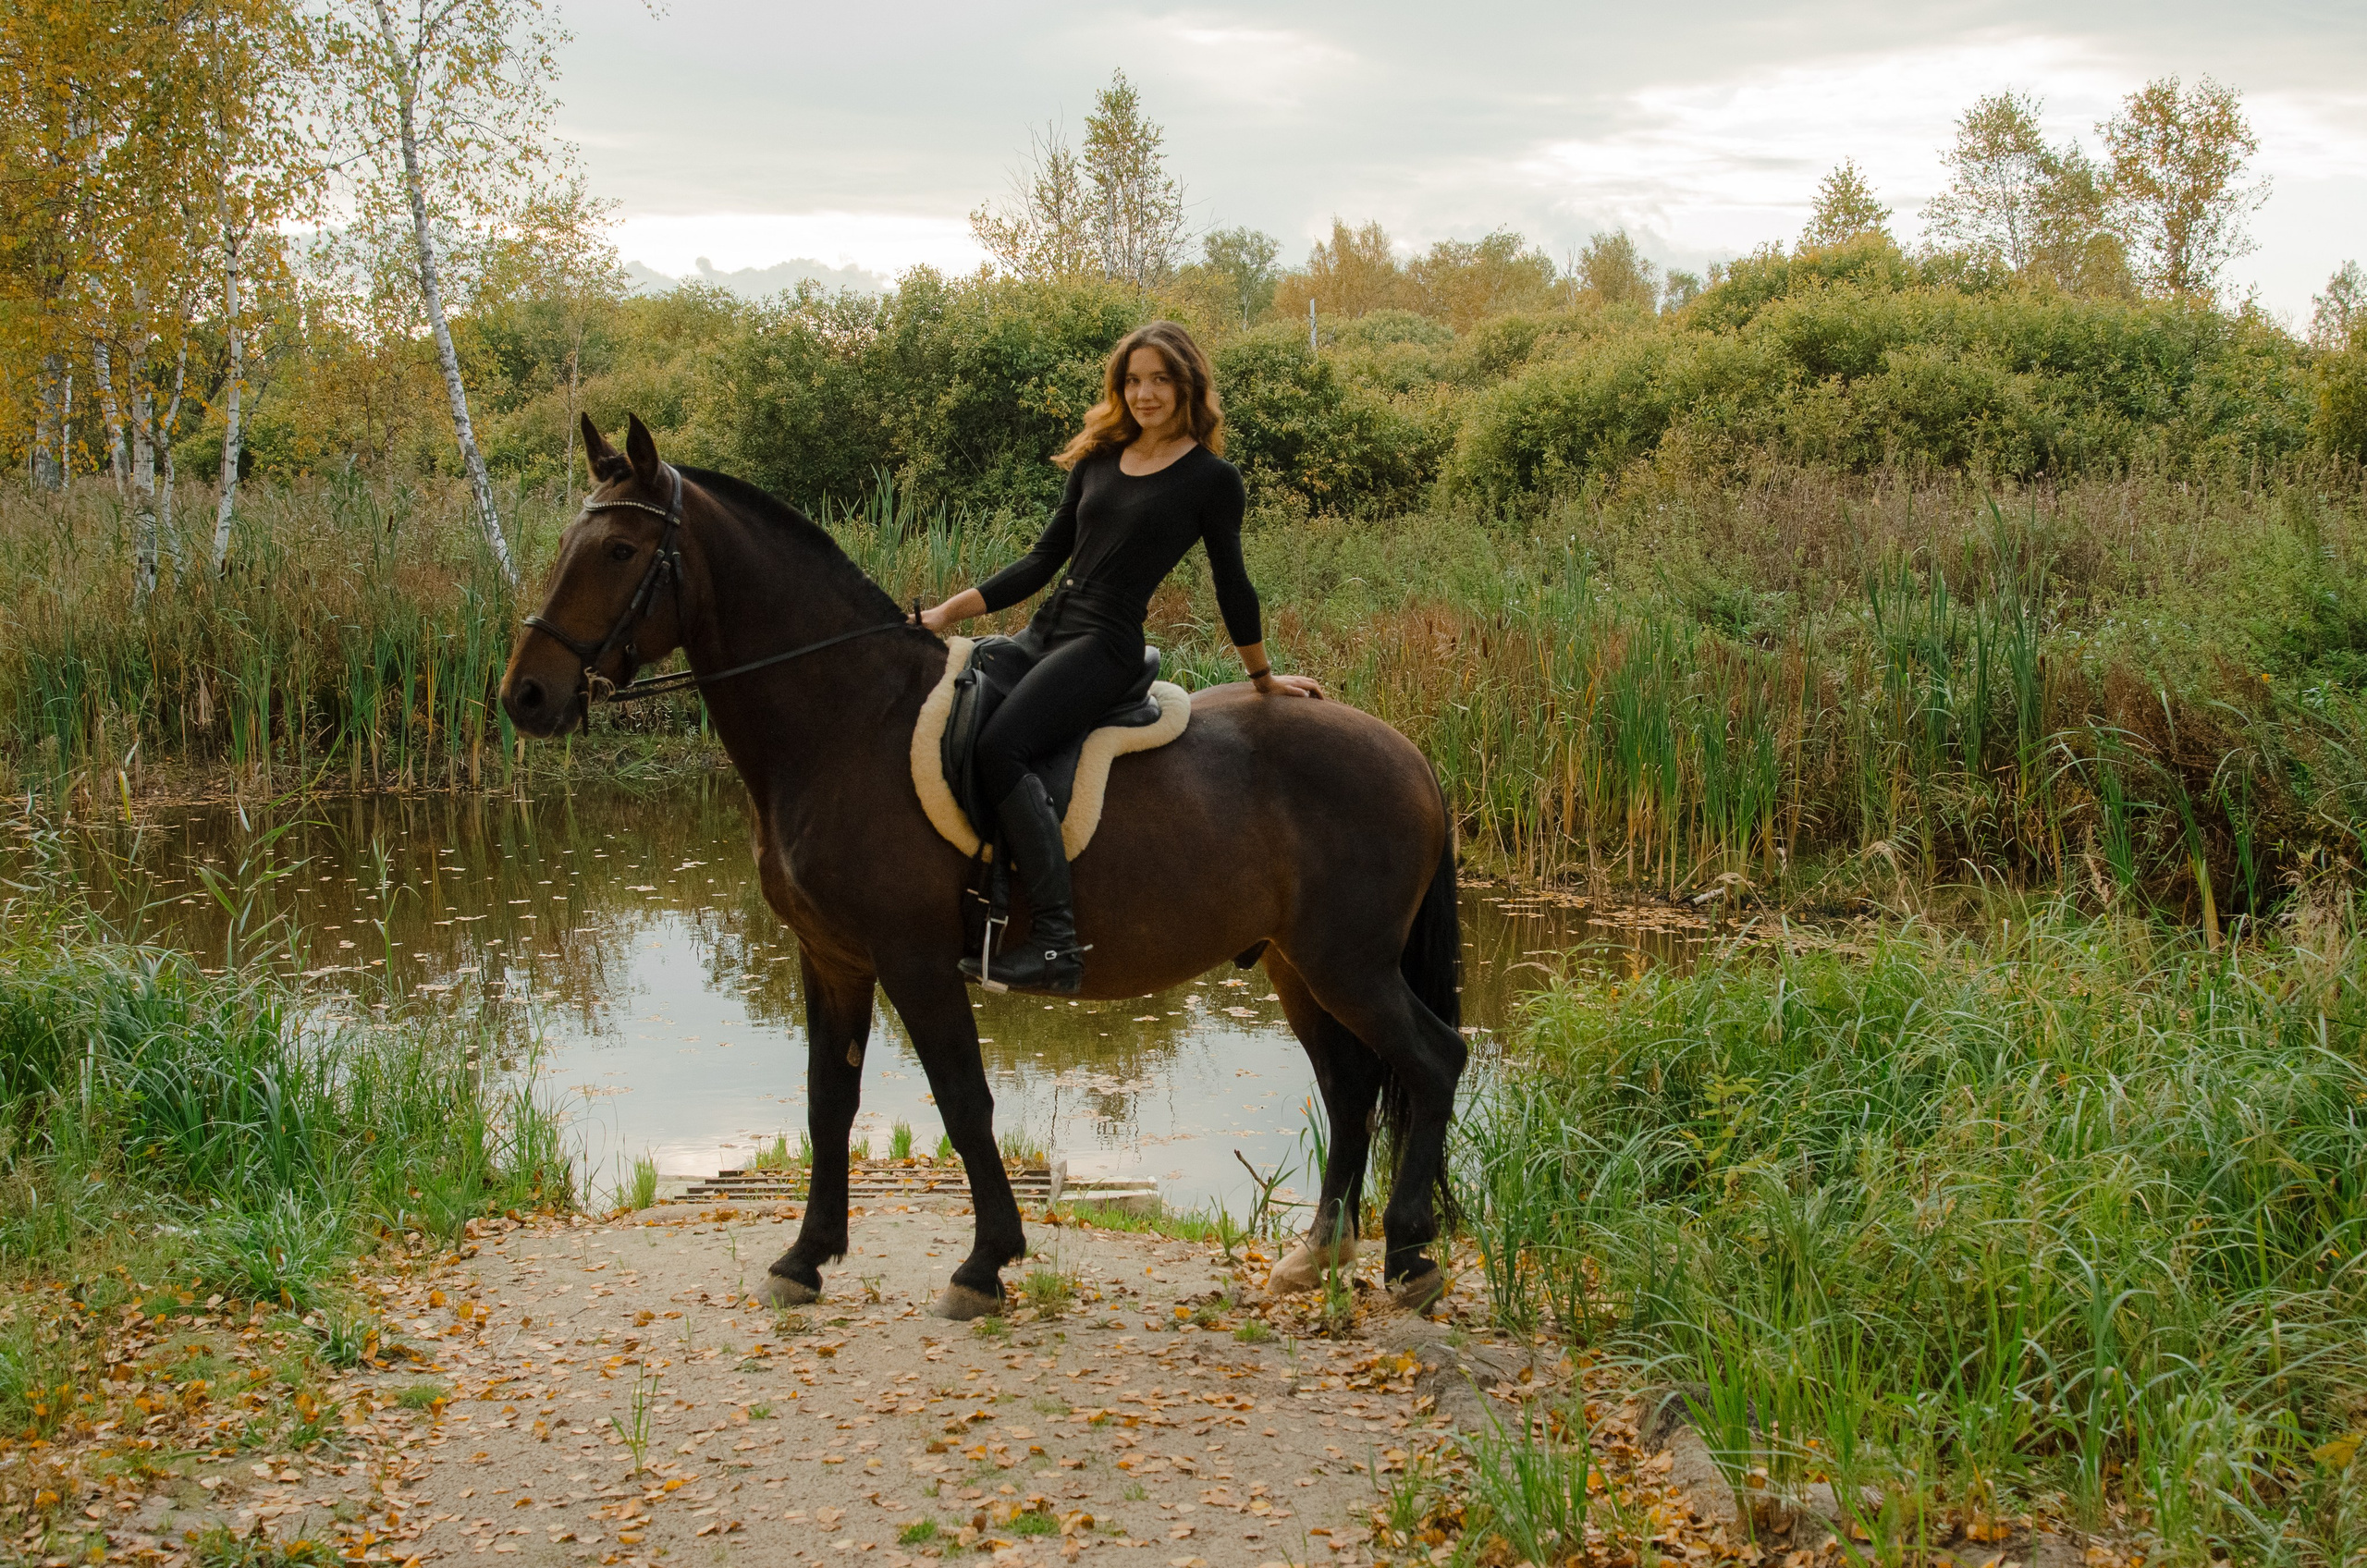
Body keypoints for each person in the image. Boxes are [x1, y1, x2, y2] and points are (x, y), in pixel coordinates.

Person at [913, 321, 1323, 994]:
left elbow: (1233, 583)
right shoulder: (1099, 461)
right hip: (1046, 632)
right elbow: (1044, 561)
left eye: (1159, 378)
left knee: (1001, 748)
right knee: (955, 704)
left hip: (1104, 647)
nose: (1144, 393)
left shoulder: (1210, 479)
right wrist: (943, 614)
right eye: (1132, 380)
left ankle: (1053, 943)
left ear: (1186, 383)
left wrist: (1263, 677)